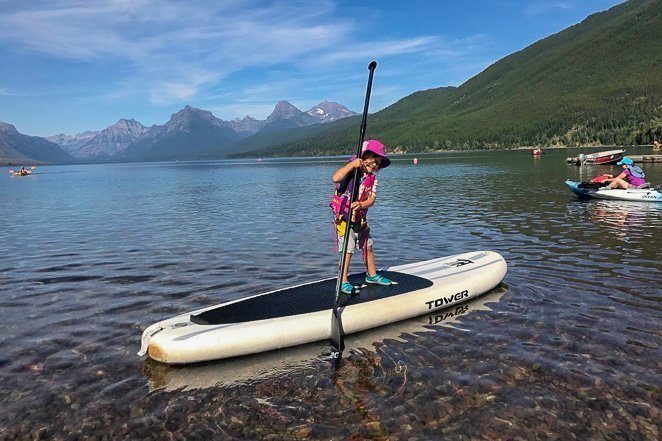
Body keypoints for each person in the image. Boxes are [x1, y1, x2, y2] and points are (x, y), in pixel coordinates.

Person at [331, 139, 397, 294]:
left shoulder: (372, 179)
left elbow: (371, 200)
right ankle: (343, 280)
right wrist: (352, 165)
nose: (376, 164)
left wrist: (361, 205)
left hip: (360, 218)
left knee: (368, 246)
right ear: (365, 156)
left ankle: (372, 275)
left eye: (379, 162)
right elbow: (335, 178)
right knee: (348, 249)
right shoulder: (351, 171)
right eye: (374, 160)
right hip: (345, 220)